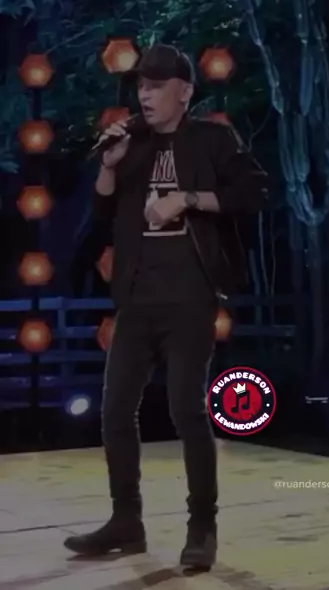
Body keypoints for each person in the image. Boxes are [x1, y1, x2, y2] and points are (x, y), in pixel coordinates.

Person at [63, 43, 269, 568]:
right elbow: (103, 213)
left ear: (185, 92)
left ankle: (202, 527)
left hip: (190, 298)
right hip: (137, 299)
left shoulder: (212, 139)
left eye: (157, 86)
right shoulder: (130, 144)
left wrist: (188, 198)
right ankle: (125, 521)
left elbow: (253, 193)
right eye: (141, 86)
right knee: (115, 412)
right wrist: (109, 167)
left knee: (186, 409)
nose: (146, 95)